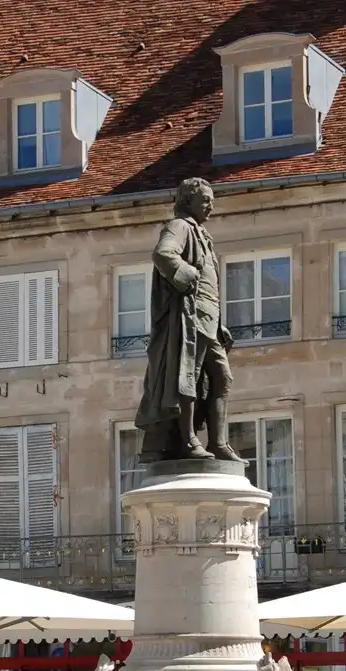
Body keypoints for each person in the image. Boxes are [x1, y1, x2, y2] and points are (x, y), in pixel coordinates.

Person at [134, 177, 241, 463]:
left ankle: (218, 443)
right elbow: (163, 254)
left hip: (208, 319)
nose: (210, 206)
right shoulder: (180, 226)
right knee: (188, 377)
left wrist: (219, 324)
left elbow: (210, 286)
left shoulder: (204, 235)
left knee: (221, 377)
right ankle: (189, 439)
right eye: (205, 200)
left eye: (212, 201)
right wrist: (187, 275)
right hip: (190, 316)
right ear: (187, 201)